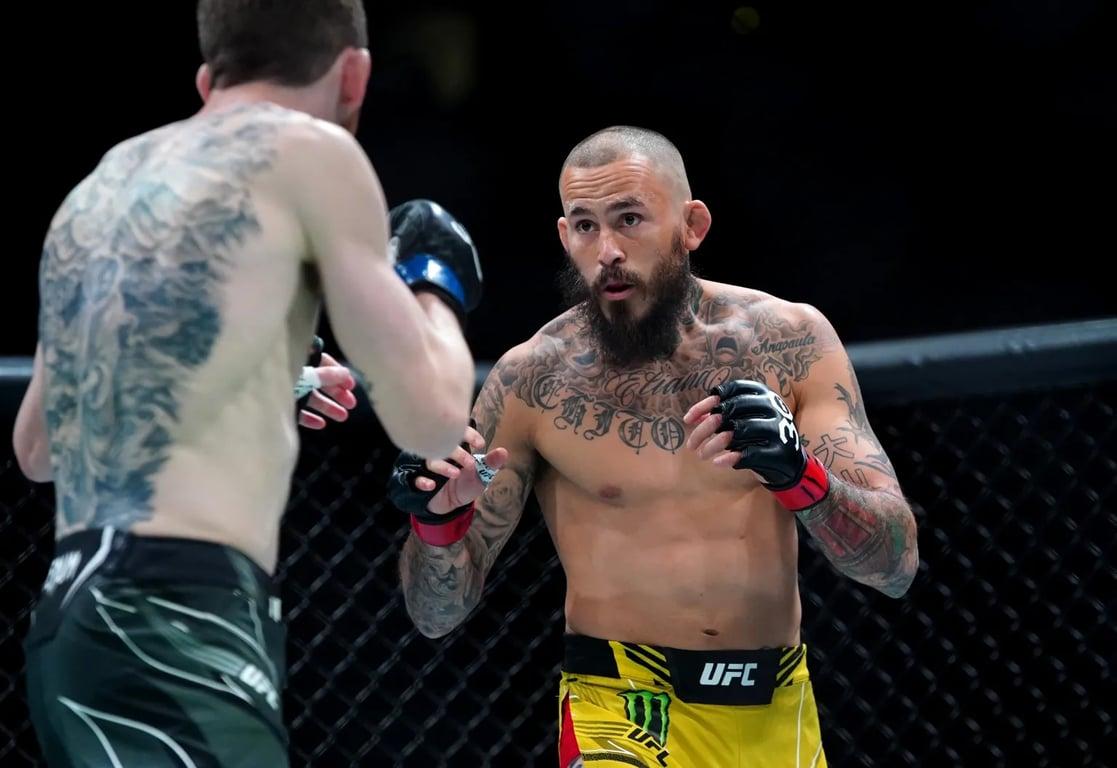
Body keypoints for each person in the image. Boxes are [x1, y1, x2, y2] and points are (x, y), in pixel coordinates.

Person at [11, 1, 483, 765]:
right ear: (353, 73)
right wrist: (436, 288)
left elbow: (37, 447)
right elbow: (431, 420)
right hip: (180, 616)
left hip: (70, 625)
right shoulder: (313, 153)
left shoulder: (100, 188)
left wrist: (263, 378)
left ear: (207, 78)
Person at [389, 126, 919, 767]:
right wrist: (437, 523)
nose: (607, 249)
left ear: (692, 225)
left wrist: (800, 477)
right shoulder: (532, 381)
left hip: (775, 708)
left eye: (630, 219)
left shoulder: (791, 343)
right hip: (621, 706)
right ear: (565, 238)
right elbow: (436, 613)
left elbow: (894, 566)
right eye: (585, 227)